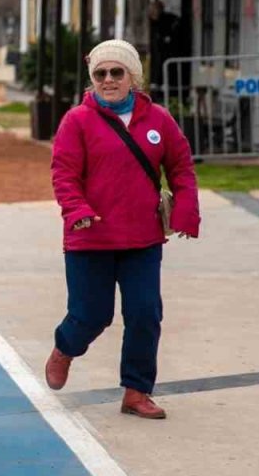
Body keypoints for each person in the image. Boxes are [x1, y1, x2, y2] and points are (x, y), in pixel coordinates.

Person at [46, 39, 200, 420]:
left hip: (142, 239)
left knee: (145, 314)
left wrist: (186, 211)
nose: (108, 79)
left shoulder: (159, 120)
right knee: (91, 315)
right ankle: (65, 349)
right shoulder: (76, 121)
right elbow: (64, 174)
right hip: (89, 238)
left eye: (117, 72)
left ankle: (136, 391)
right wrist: (77, 209)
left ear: (133, 76)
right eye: (100, 73)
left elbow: (181, 167)